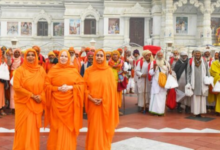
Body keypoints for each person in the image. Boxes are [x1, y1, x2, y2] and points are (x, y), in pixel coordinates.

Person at [46, 50, 84, 150]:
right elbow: (46, 85)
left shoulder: (73, 70)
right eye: (61, 56)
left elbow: (81, 85)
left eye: (65, 56)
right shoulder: (53, 70)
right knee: (56, 126)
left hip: (70, 104)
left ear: (68, 58)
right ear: (58, 58)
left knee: (68, 127)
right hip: (56, 104)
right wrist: (57, 88)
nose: (63, 58)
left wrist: (71, 87)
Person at [84, 49, 119, 150]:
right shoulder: (88, 71)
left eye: (101, 55)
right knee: (94, 128)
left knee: (104, 128)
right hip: (92, 104)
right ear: (94, 57)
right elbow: (84, 87)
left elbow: (112, 89)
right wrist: (91, 98)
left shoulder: (108, 71)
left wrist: (103, 99)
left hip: (105, 104)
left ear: (104, 58)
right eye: (97, 55)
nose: (99, 57)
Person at [12, 48, 46, 150]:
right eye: (28, 55)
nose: (30, 57)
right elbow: (17, 87)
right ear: (25, 57)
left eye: (32, 55)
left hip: (36, 103)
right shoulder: (19, 71)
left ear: (36, 57)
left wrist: (41, 96)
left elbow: (46, 86)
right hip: (23, 103)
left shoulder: (41, 70)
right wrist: (31, 95)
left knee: (33, 128)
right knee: (23, 128)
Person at [187, 49, 209, 117]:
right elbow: (188, 72)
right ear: (194, 54)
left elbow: (207, 70)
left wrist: (208, 79)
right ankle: (196, 112)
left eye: (198, 53)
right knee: (195, 96)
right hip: (194, 82)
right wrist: (188, 82)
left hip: (202, 82)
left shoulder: (204, 60)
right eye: (196, 53)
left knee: (202, 97)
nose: (197, 55)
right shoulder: (190, 61)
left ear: (200, 54)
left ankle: (201, 111)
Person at [149, 51, 171, 116]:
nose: (160, 56)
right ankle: (153, 111)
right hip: (155, 82)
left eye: (161, 55)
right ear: (156, 56)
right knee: (155, 96)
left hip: (163, 81)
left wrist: (170, 71)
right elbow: (150, 72)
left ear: (163, 56)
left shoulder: (166, 62)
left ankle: (160, 111)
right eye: (158, 55)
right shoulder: (153, 62)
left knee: (162, 96)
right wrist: (154, 68)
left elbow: (169, 71)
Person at [108, 50, 124, 115]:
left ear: (118, 55)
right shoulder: (108, 63)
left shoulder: (122, 63)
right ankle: (111, 110)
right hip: (111, 82)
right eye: (113, 54)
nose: (115, 56)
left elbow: (125, 72)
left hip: (119, 82)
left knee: (118, 96)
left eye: (116, 54)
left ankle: (117, 109)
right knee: (111, 96)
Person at [9, 48, 23, 113]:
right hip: (12, 76)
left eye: (18, 52)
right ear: (13, 53)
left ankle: (19, 107)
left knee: (19, 92)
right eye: (15, 52)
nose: (17, 53)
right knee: (12, 92)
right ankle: (13, 107)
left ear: (20, 53)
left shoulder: (22, 59)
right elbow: (8, 65)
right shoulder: (11, 59)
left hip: (20, 76)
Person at [0, 49, 7, 116]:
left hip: (1, 81)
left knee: (1, 95)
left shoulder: (3, 60)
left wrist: (3, 63)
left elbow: (5, 68)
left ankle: (1, 109)